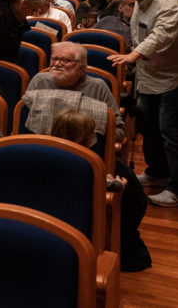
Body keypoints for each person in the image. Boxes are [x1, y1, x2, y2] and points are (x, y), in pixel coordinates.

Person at [108, 0, 178, 207]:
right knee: (149, 128)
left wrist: (135, 54)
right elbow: (141, 29)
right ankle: (158, 172)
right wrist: (136, 50)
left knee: (173, 135)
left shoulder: (171, 1)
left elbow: (162, 35)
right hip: (151, 74)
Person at [49, 108, 152, 272]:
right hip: (83, 232)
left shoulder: (43, 156)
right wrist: (119, 188)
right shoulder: (92, 166)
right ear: (86, 138)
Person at [24, 41, 124, 141]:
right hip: (43, 147)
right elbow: (23, 119)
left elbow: (118, 131)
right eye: (54, 59)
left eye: (66, 60)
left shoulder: (98, 87)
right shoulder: (40, 81)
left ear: (81, 68)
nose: (57, 64)